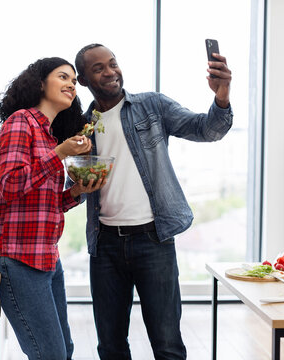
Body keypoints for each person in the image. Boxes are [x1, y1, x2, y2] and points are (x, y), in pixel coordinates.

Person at [74, 44, 233, 359]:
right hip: (105, 246)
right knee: (110, 345)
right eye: (98, 68)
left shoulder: (152, 106)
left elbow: (208, 130)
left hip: (153, 241)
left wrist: (222, 95)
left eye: (113, 63)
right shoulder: (81, 126)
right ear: (83, 80)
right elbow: (76, 188)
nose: (110, 72)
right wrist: (79, 181)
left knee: (167, 343)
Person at [0, 57, 106, 360]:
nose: (71, 85)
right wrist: (61, 153)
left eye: (74, 82)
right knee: (50, 354)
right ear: (41, 83)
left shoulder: (49, 135)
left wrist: (78, 191)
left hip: (46, 257)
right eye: (63, 77)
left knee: (63, 350)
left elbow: (43, 203)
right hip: (17, 259)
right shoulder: (20, 122)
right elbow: (10, 185)